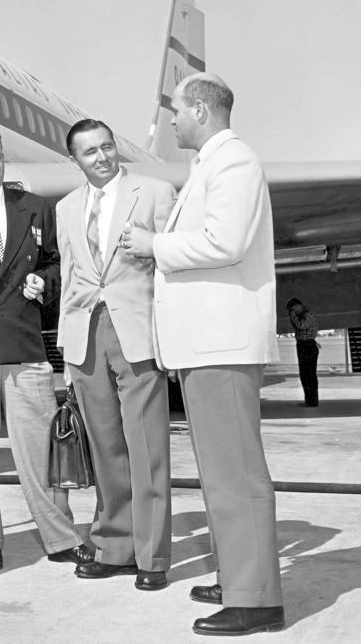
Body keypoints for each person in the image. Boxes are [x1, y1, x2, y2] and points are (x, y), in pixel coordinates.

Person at [123, 73, 284, 636]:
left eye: (176, 110)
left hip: (220, 343)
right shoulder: (210, 166)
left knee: (235, 473)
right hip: (205, 344)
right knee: (219, 474)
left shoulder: (233, 162)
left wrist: (154, 245)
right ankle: (238, 576)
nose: (172, 120)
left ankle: (256, 598)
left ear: (200, 110)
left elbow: (226, 242)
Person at [0, 126, 92, 571]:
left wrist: (43, 282)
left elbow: (55, 262)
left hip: (24, 345)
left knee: (42, 449)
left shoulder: (35, 207)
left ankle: (60, 536)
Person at [55, 119, 175, 591]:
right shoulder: (66, 208)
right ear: (75, 160)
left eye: (107, 147)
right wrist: (67, 352)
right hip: (86, 337)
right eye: (90, 152)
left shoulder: (155, 192)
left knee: (147, 449)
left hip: (137, 334)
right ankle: (114, 547)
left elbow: (171, 268)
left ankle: (152, 556)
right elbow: (71, 279)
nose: (102, 157)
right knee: (105, 450)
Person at [287, 298, 320, 407]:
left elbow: (302, 326)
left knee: (309, 374)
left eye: (294, 309)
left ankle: (312, 401)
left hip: (308, 345)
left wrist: (293, 316)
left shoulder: (308, 315)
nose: (294, 312)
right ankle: (309, 399)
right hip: (303, 344)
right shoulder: (302, 316)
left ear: (298, 306)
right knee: (304, 374)